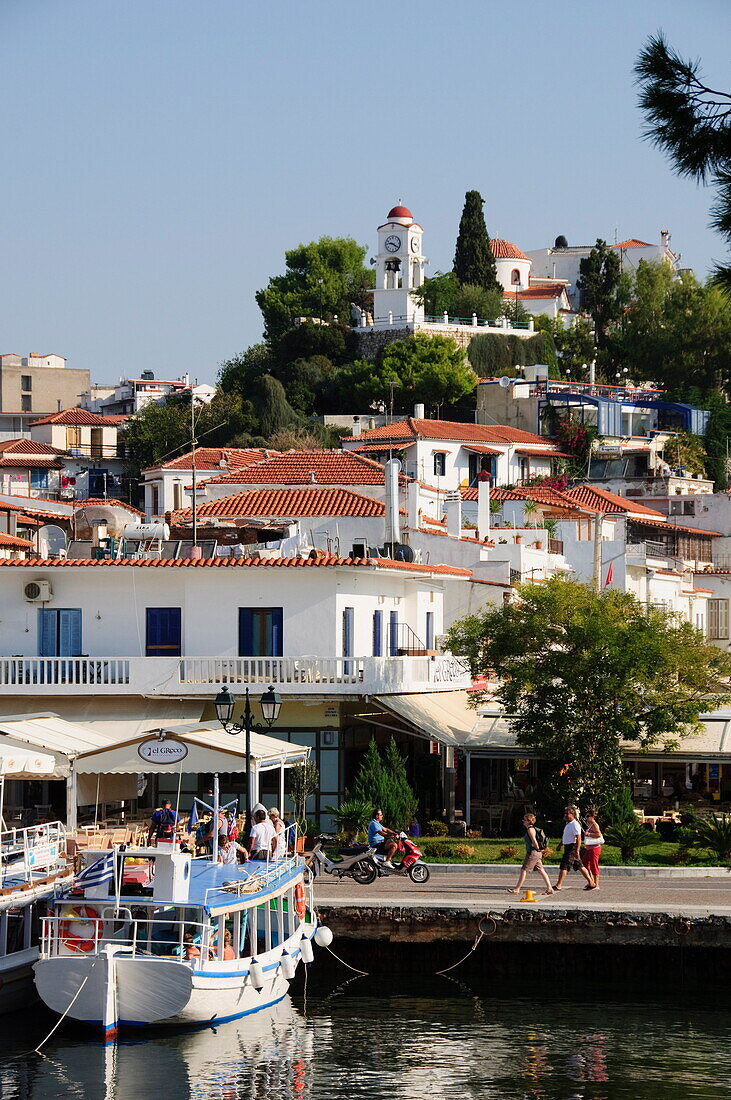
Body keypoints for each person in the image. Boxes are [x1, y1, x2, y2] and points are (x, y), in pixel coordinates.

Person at [507, 813, 554, 896]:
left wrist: (538, 849)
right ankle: (550, 888)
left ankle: (517, 889)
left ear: (529, 821)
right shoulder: (532, 829)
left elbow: (534, 841)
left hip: (533, 853)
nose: (523, 821)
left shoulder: (530, 829)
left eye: (525, 820)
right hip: (536, 853)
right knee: (541, 870)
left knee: (524, 870)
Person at [555, 806, 595, 890]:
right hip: (568, 847)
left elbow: (579, 838)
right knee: (579, 865)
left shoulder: (575, 824)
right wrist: (560, 845)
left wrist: (577, 850)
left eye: (567, 814)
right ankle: (591, 883)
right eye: (565, 813)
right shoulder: (568, 824)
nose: (565, 815)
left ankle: (558, 885)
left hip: (572, 848)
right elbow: (565, 837)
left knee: (564, 865)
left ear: (572, 814)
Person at [581, 808, 603, 891]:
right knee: (585, 863)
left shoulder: (594, 824)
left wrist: (589, 834)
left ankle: (596, 883)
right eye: (586, 816)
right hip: (589, 848)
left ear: (592, 817)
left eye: (588, 816)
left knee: (594, 865)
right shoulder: (590, 825)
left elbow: (598, 834)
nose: (586, 818)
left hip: (594, 848)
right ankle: (591, 881)